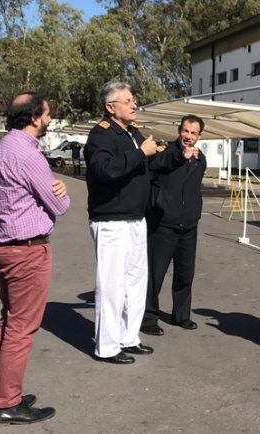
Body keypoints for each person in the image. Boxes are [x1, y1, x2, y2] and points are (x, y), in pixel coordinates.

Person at [84, 81, 194, 365]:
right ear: (111, 107)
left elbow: (153, 164)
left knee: (135, 282)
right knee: (111, 286)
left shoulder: (133, 133)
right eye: (128, 101)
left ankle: (128, 337)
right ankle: (107, 346)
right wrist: (139, 153)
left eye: (134, 100)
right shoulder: (101, 135)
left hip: (135, 218)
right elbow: (105, 171)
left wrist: (178, 155)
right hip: (112, 221)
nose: (134, 105)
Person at [0, 92, 70, 425]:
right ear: (35, 117)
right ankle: (6, 402)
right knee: (21, 328)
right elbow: (60, 205)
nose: (49, 120)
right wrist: (59, 191)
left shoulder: (4, 147)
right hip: (26, 249)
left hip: (3, 246)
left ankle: (2, 392)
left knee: (8, 323)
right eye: (47, 114)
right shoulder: (28, 154)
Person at [141, 115, 207, 336]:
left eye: (193, 133)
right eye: (185, 131)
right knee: (155, 274)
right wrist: (181, 156)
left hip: (188, 226)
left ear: (200, 136)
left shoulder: (201, 160)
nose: (188, 137)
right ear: (179, 131)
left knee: (185, 273)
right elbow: (156, 165)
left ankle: (181, 315)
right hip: (163, 225)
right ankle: (148, 318)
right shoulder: (165, 152)